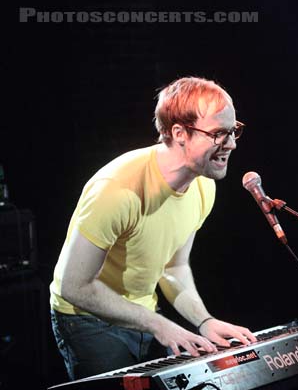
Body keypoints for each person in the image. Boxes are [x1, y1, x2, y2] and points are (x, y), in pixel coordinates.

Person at [49, 77, 257, 380]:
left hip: (143, 312)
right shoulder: (117, 189)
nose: (232, 144)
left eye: (233, 131)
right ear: (179, 133)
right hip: (87, 319)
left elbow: (174, 266)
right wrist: (159, 324)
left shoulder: (203, 186)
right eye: (219, 134)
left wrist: (204, 321)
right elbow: (75, 287)